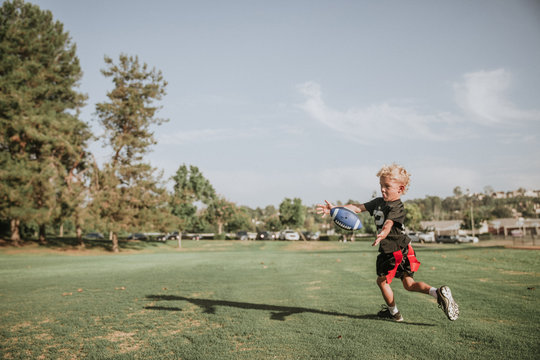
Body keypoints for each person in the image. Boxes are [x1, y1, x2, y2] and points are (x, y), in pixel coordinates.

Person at [316, 163, 459, 322]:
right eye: (381, 185)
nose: (383, 189)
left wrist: (382, 234)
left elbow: (389, 223)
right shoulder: (378, 202)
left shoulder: (397, 206)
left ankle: (394, 314)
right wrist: (334, 209)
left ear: (401, 189)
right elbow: (356, 207)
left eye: (387, 186)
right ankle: (437, 292)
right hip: (405, 248)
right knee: (408, 284)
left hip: (392, 251)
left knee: (382, 281)